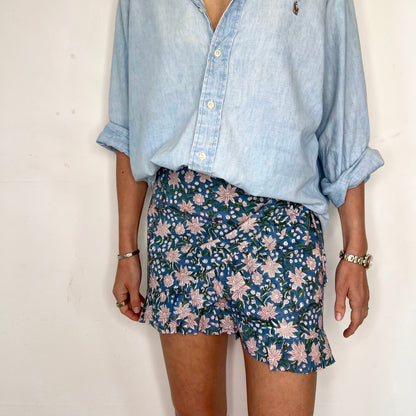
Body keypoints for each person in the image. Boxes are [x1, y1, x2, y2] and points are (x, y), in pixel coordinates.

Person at [96, 0, 384, 414]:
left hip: (281, 230)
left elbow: (343, 117)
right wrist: (127, 249)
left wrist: (355, 250)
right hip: (180, 227)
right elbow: (127, 123)